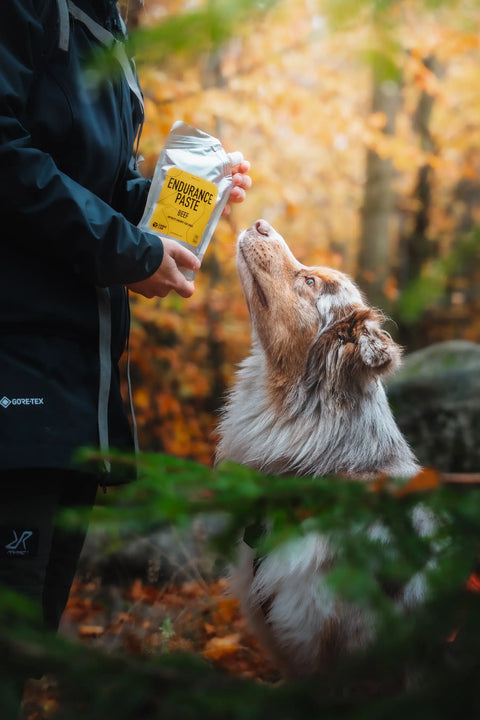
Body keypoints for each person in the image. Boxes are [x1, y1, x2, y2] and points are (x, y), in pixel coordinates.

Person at [0, 0, 251, 647]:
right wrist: (127, 251)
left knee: (27, 643)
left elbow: (98, 189)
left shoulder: (102, 22)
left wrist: (191, 198)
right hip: (17, 369)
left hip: (74, 389)